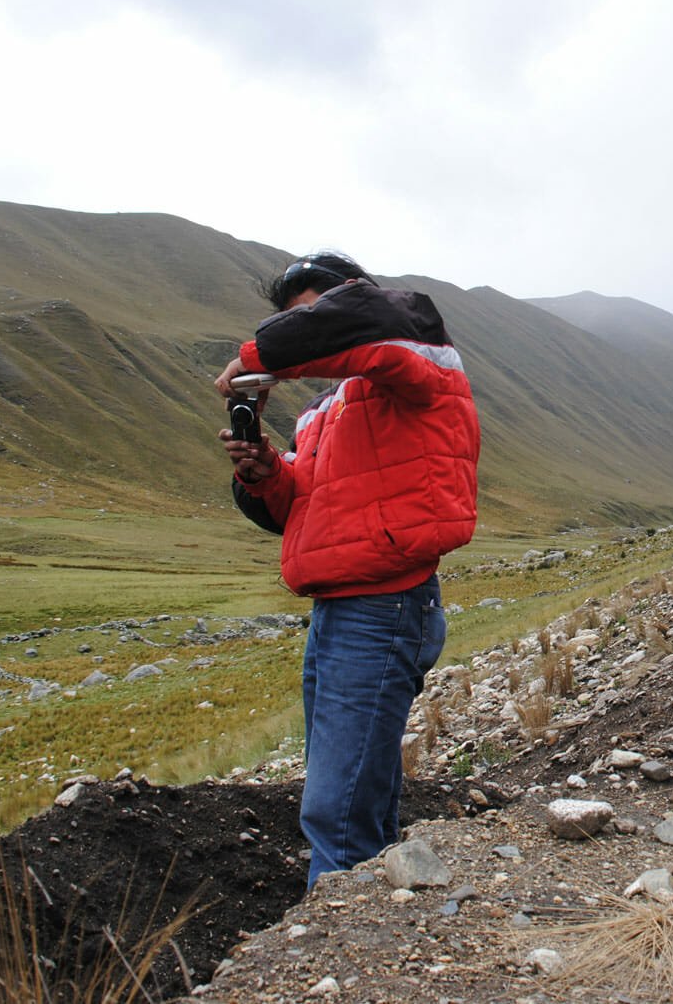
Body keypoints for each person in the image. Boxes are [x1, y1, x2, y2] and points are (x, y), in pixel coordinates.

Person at [215, 252, 479, 889]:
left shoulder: (417, 359)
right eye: (290, 319)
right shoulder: (321, 413)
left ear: (351, 302)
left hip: (384, 606)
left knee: (335, 806)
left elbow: (367, 322)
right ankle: (379, 921)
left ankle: (333, 954)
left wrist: (256, 359)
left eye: (312, 313)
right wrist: (264, 472)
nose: (304, 328)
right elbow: (303, 508)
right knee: (357, 785)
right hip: (339, 607)